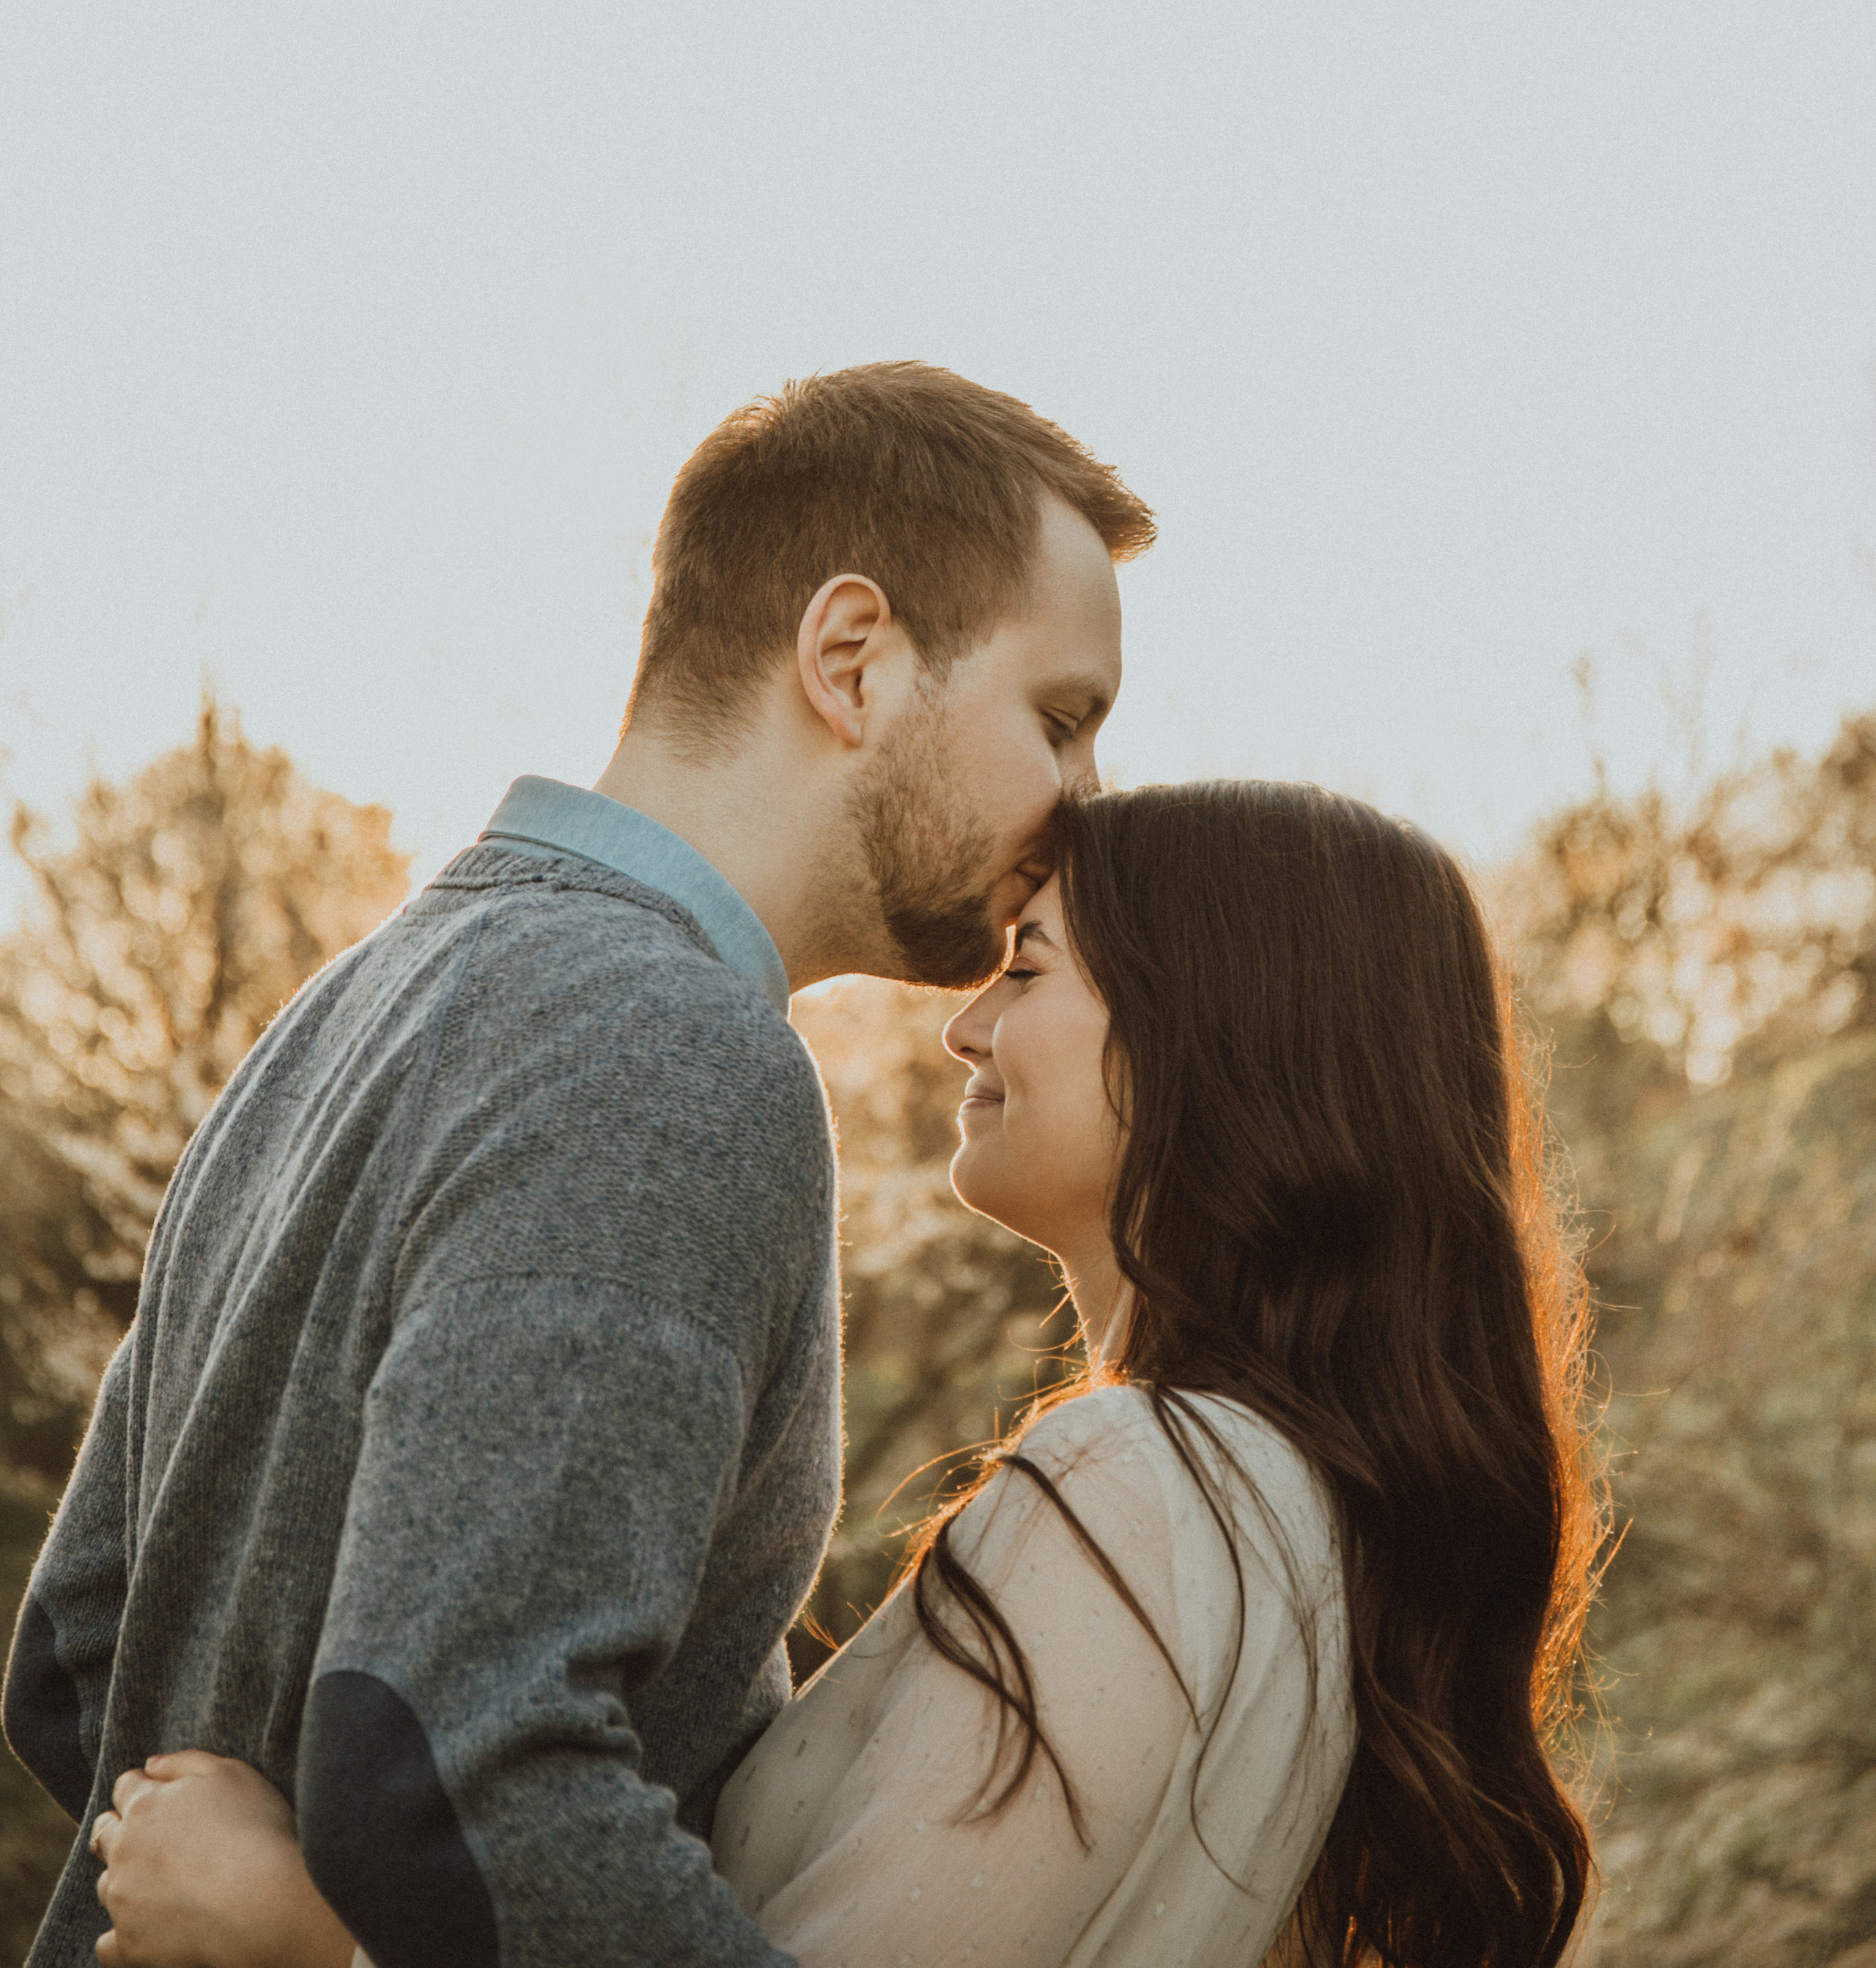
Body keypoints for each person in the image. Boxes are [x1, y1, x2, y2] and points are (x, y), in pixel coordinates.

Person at [2, 362, 1151, 1968]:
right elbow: (464, 1767)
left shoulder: (355, 999)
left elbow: (76, 1666)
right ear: (850, 659)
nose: (1080, 801)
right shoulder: (672, 1053)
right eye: (1061, 719)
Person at [88, 780, 1601, 1968]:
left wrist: (311, 1938)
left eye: (1027, 969)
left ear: (1213, 1032)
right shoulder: (1280, 1509)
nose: (965, 1024)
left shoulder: (1137, 1482)